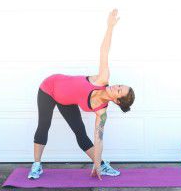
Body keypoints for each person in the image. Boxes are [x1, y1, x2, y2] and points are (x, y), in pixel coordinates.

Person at [28, 10, 134, 180]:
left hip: (66, 101)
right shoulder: (103, 79)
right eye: (120, 85)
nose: (116, 86)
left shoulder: (101, 112)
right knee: (44, 125)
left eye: (119, 90)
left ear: (117, 100)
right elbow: (104, 52)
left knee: (81, 133)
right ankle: (36, 165)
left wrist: (97, 163)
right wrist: (110, 27)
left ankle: (101, 164)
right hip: (49, 87)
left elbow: (98, 140)